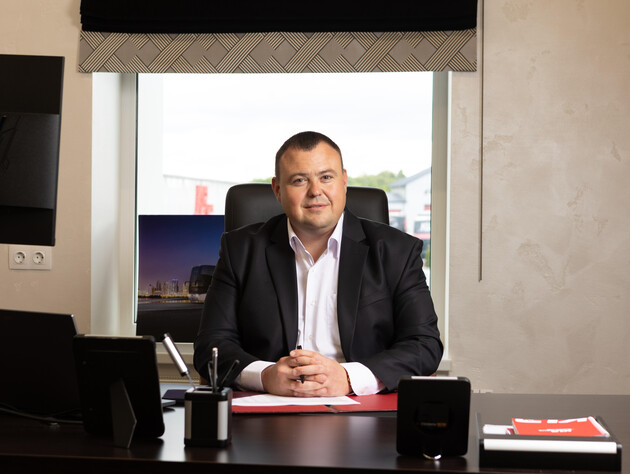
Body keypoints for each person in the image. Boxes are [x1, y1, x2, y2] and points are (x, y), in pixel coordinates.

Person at [194, 131, 442, 396]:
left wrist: (348, 378)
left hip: (362, 406)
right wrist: (265, 376)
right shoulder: (240, 250)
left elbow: (424, 344)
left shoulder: (397, 252)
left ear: (343, 181)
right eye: (299, 180)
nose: (315, 191)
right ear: (277, 189)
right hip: (267, 404)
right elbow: (211, 345)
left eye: (326, 177)